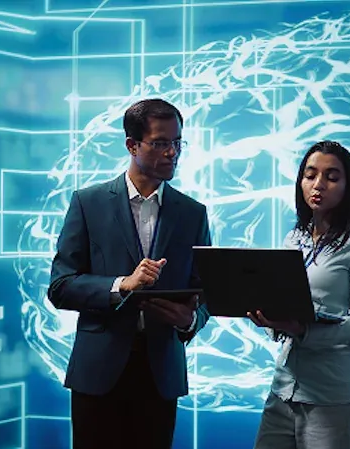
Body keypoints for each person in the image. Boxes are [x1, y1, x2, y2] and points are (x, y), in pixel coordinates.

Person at [48, 98, 212, 449]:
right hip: (98, 372)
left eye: (177, 142)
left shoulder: (192, 213)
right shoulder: (88, 203)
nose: (172, 153)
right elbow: (61, 286)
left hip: (160, 374)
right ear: (132, 145)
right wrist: (122, 285)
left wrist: (189, 321)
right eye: (160, 143)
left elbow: (206, 293)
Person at [248, 140, 350, 449]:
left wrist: (303, 330)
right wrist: (270, 318)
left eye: (332, 177)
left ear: (348, 186)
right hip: (284, 389)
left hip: (334, 396)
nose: (318, 185)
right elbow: (283, 304)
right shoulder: (294, 238)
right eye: (310, 175)